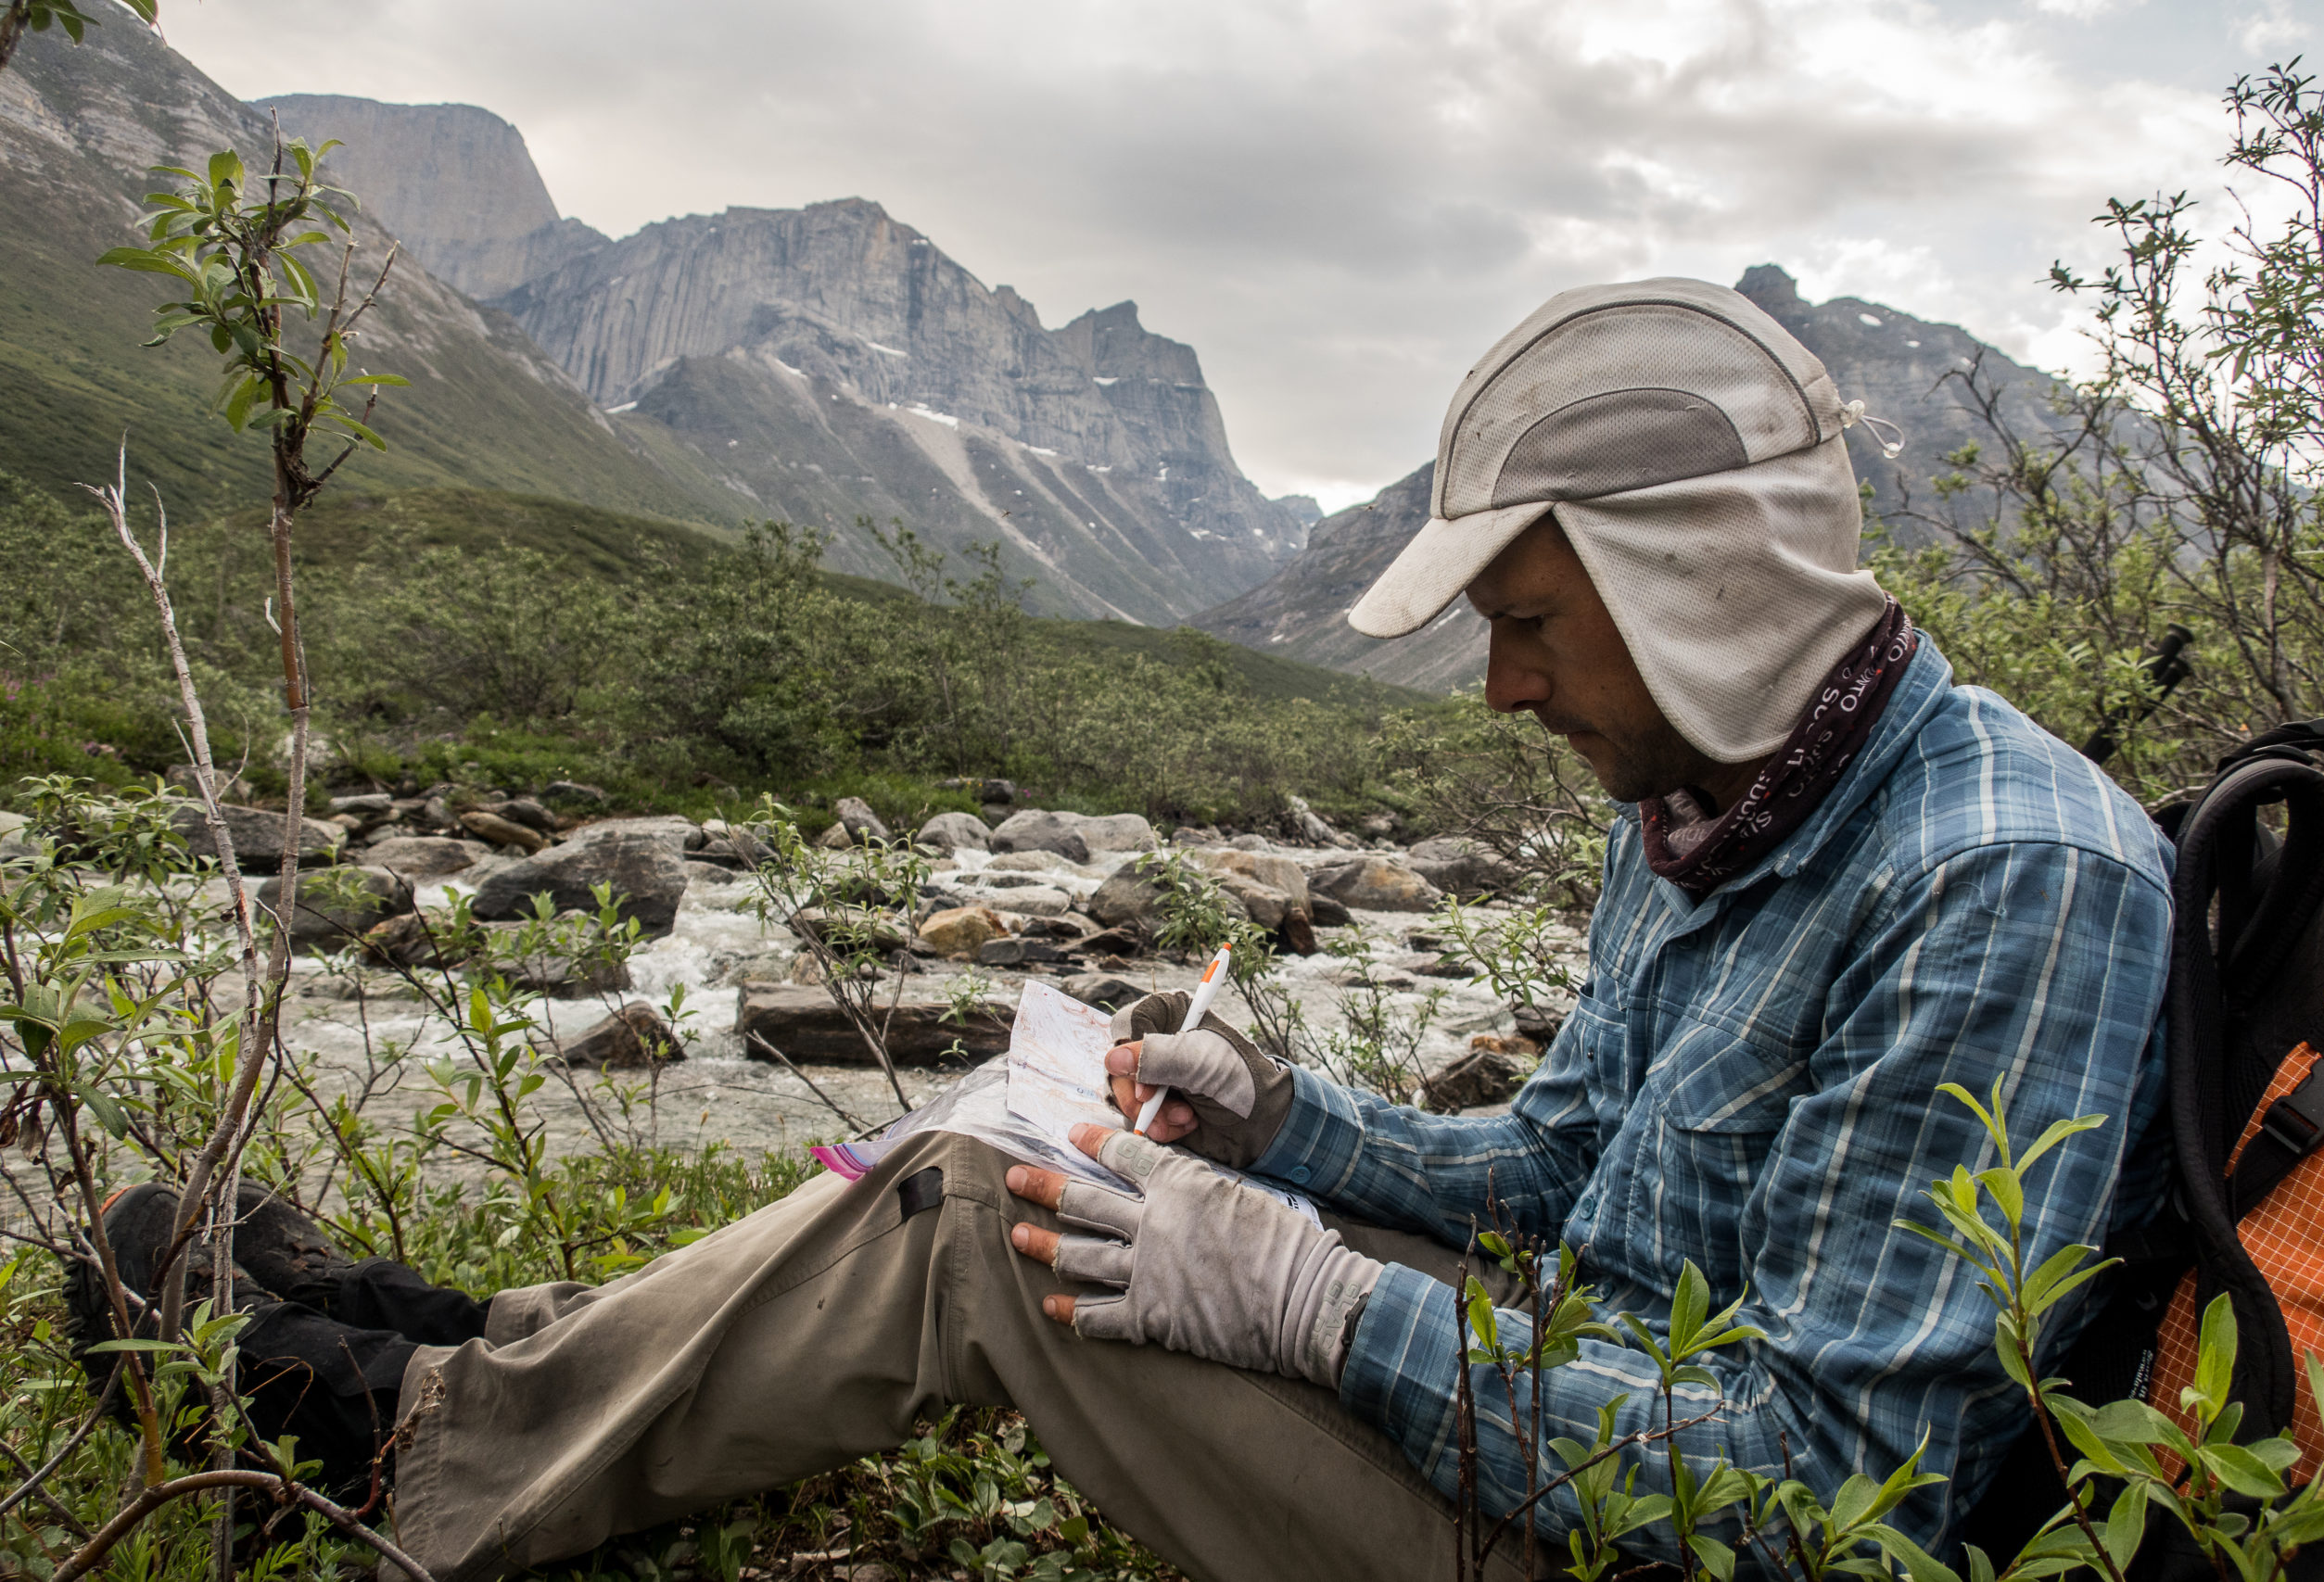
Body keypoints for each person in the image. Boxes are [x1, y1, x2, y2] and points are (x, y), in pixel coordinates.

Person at [77, 278, 2174, 1580]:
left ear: (1703, 587)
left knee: (1013, 1228)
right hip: (1571, 1390)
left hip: (1638, 1534)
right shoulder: (1701, 790)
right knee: (1052, 1151)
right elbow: (1557, 1172)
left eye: (1526, 621)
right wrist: (1281, 1133)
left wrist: (1313, 1306)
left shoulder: (2001, 879)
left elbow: (1835, 1504)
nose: (1501, 692)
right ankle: (488, 1354)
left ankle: (415, 1458)